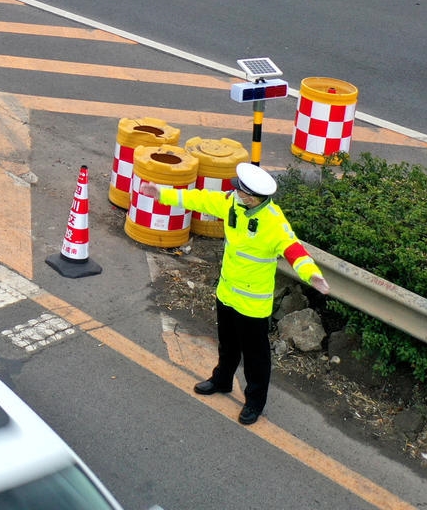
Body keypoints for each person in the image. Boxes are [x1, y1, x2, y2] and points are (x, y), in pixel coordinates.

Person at [137, 162, 329, 426]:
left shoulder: (273, 221)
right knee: (227, 344)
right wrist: (163, 194)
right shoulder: (233, 204)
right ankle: (222, 380)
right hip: (227, 292)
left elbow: (293, 248)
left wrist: (312, 274)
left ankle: (254, 403)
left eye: (240, 191)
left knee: (255, 358)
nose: (235, 192)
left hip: (253, 304)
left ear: (253, 197)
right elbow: (201, 199)